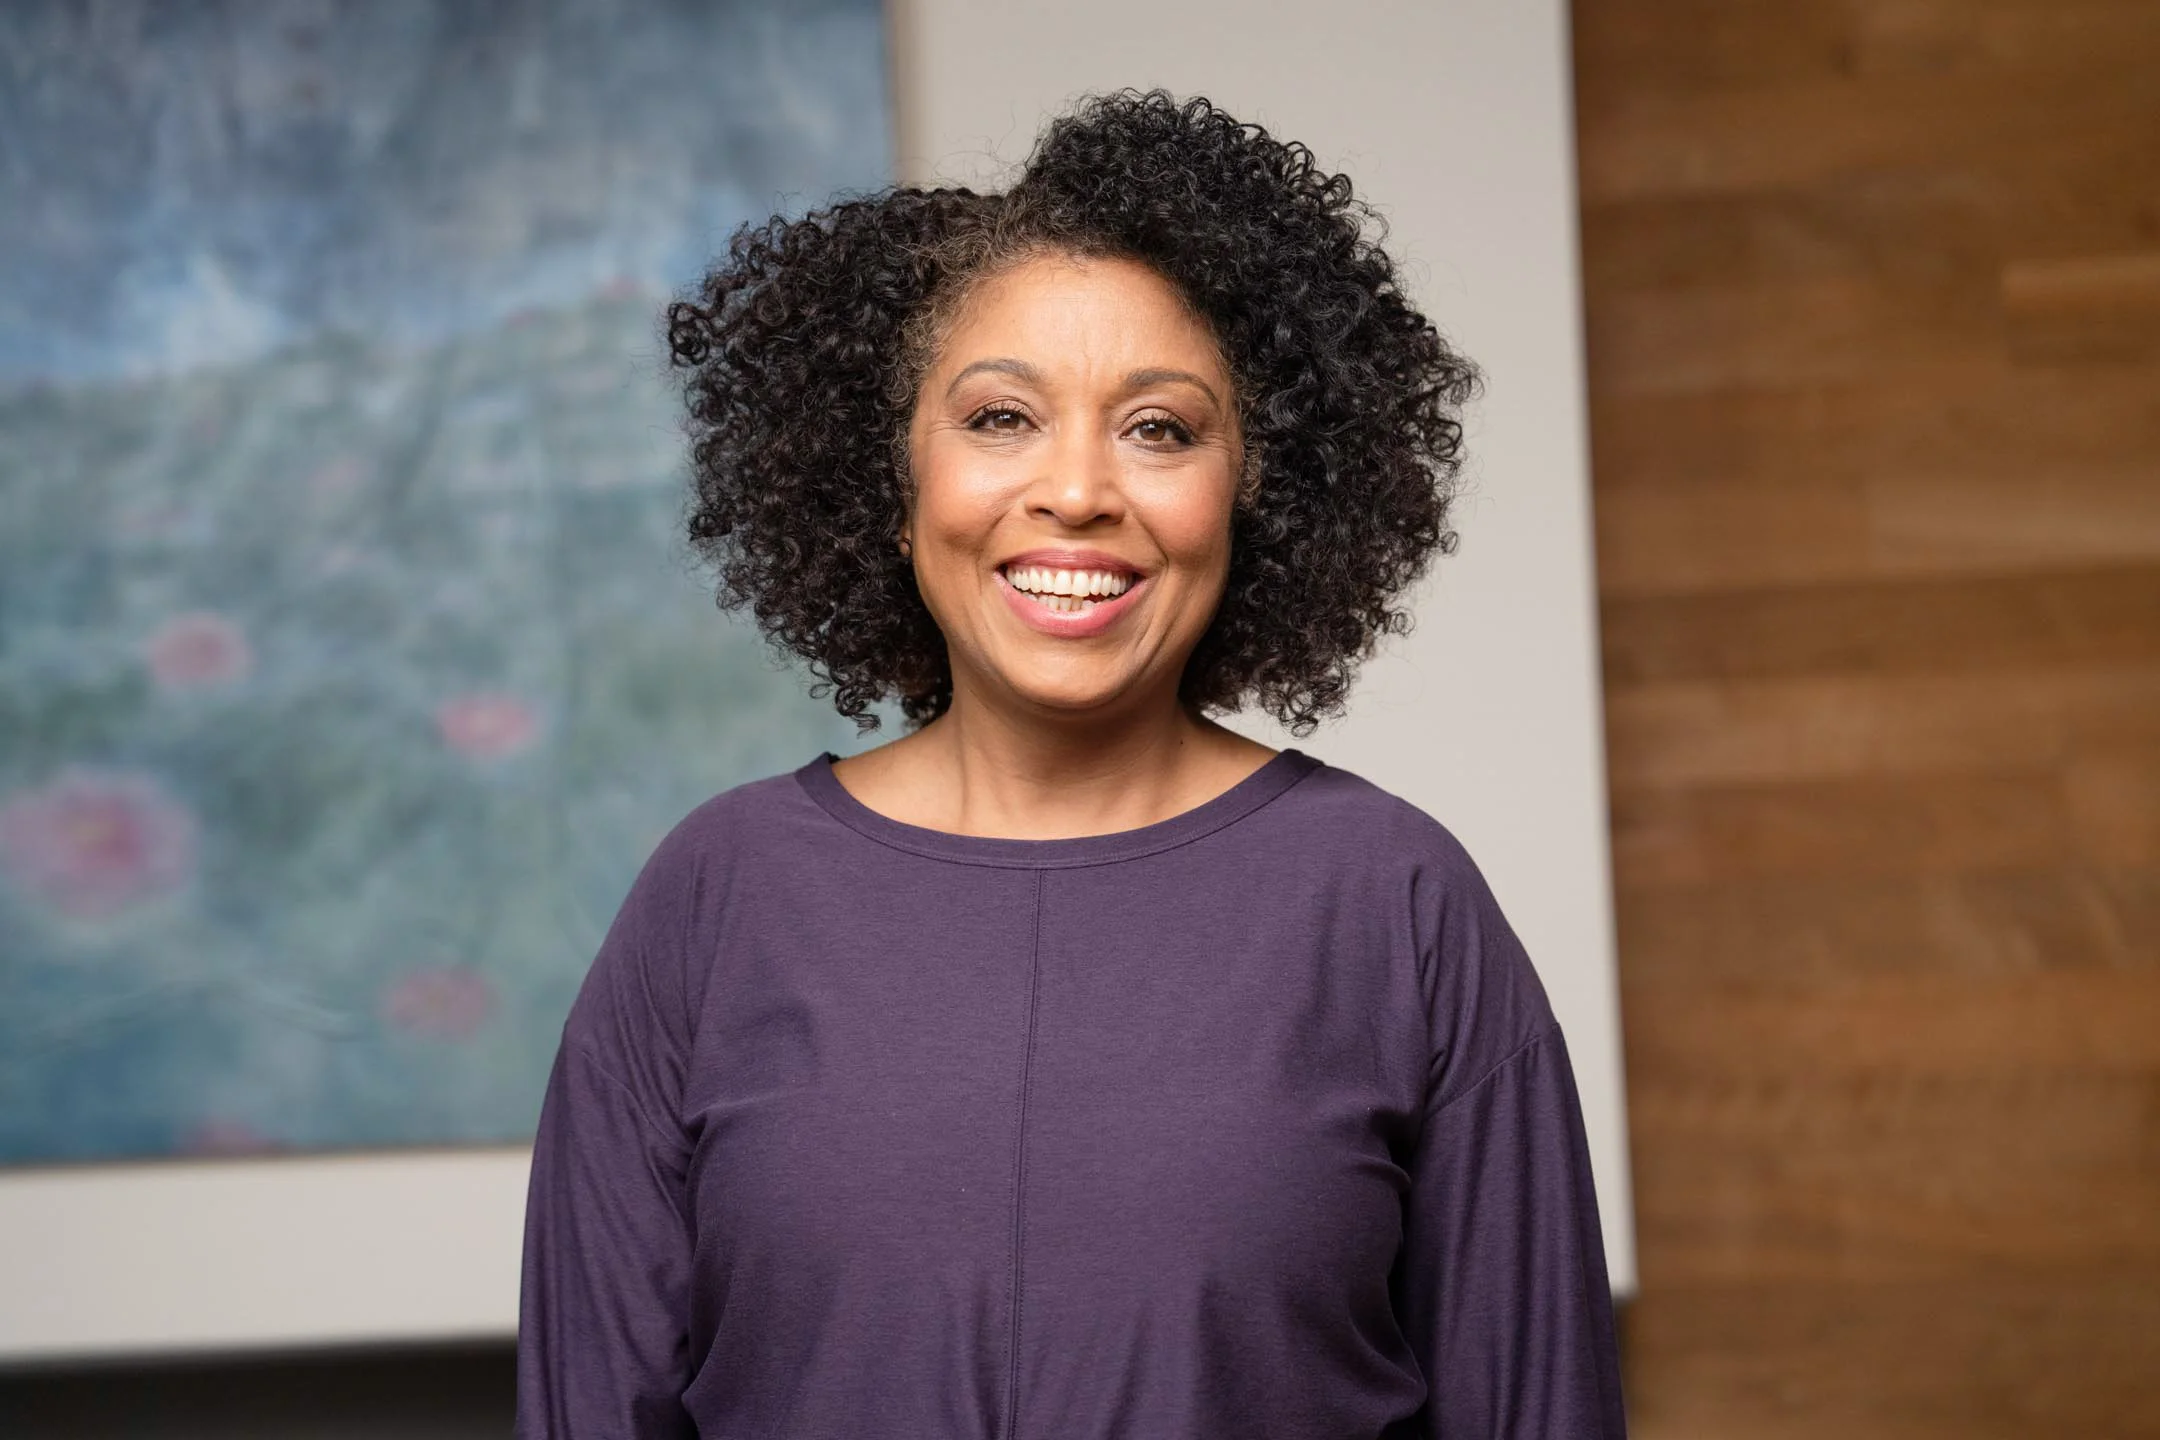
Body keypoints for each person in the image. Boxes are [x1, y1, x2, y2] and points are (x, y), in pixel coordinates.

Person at [515, 89, 1628, 1438]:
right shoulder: (716, 900)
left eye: (1161, 428)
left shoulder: (1395, 903)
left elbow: (1539, 1412)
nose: (1079, 490)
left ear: (1260, 485)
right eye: (999, 419)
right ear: (894, 470)